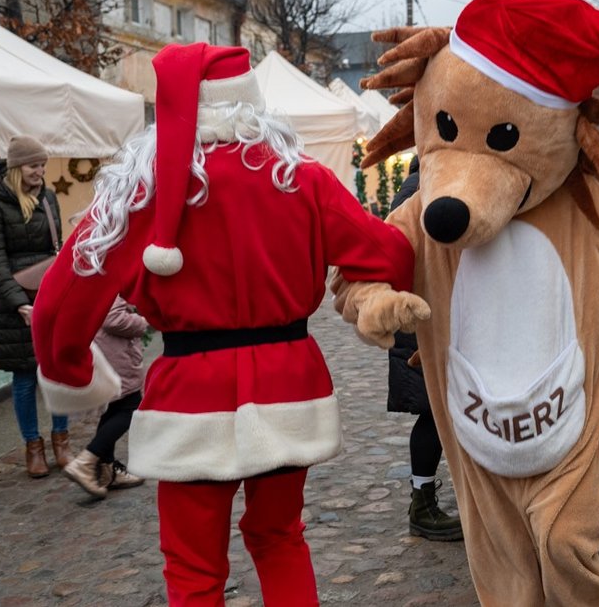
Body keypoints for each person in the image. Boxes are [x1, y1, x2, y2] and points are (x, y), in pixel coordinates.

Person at [30, 43, 423, 606]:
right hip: (290, 382)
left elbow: (61, 300)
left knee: (192, 568)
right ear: (251, 105)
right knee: (281, 537)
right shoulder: (302, 178)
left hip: (190, 392)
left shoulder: (140, 189)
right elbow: (387, 253)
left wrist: (70, 371)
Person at [0, 135, 71, 478]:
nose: (41, 171)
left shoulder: (48, 197)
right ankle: (34, 446)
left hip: (48, 296)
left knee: (56, 370)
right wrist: (18, 303)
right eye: (34, 165)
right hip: (13, 302)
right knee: (25, 376)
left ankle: (62, 439)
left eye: (43, 165)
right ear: (17, 167)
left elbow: (55, 251)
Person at [388, 157, 463, 541]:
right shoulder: (420, 191)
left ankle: (428, 499)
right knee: (433, 413)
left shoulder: (415, 185)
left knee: (437, 412)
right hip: (422, 321)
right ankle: (422, 504)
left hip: (423, 319)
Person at [63, 295, 147, 499]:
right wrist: (143, 321)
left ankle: (108, 471)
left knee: (115, 409)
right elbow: (113, 318)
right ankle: (85, 461)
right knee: (131, 407)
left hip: (103, 350)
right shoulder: (108, 270)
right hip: (114, 353)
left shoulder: (86, 267)